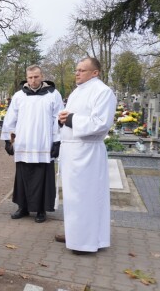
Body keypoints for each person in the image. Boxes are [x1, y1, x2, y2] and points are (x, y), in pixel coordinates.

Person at [56, 57, 116, 255]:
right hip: (73, 152)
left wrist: (71, 119)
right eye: (76, 69)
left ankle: (85, 242)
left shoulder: (103, 92)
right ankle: (74, 233)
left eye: (82, 70)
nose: (77, 73)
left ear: (95, 72)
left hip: (87, 153)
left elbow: (101, 123)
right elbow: (71, 117)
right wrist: (62, 120)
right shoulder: (77, 91)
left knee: (85, 197)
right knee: (73, 198)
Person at [1, 65, 64, 223]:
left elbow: (58, 119)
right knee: (23, 177)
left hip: (43, 144)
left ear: (42, 76)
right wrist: (9, 141)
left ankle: (41, 210)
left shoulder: (53, 95)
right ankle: (23, 207)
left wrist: (57, 141)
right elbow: (11, 120)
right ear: (26, 78)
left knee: (43, 178)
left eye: (36, 77)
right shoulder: (19, 96)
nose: (33, 80)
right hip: (24, 144)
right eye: (30, 77)